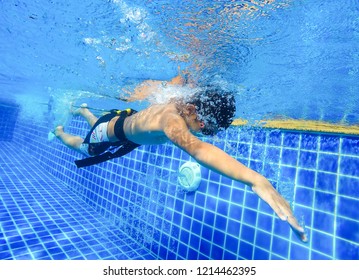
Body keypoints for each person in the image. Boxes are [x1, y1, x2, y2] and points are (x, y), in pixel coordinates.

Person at [53, 75, 308, 243]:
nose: (201, 131)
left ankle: (83, 110)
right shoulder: (171, 121)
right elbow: (198, 150)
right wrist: (255, 180)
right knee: (86, 148)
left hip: (122, 123)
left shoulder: (181, 101)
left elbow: (181, 80)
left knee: (101, 130)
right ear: (193, 110)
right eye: (204, 127)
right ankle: (61, 132)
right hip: (112, 131)